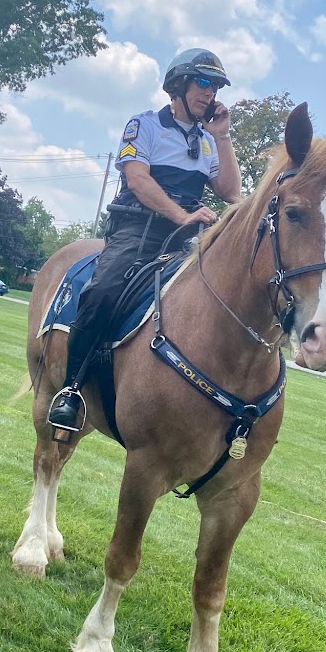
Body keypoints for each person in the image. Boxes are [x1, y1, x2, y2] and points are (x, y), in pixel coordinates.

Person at [48, 48, 241, 432]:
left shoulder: (207, 141)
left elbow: (230, 191)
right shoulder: (145, 125)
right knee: (102, 292)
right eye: (202, 82)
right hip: (139, 230)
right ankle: (71, 390)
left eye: (215, 86)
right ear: (178, 85)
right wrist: (182, 215)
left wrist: (223, 137)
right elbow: (137, 179)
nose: (210, 93)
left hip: (189, 237)